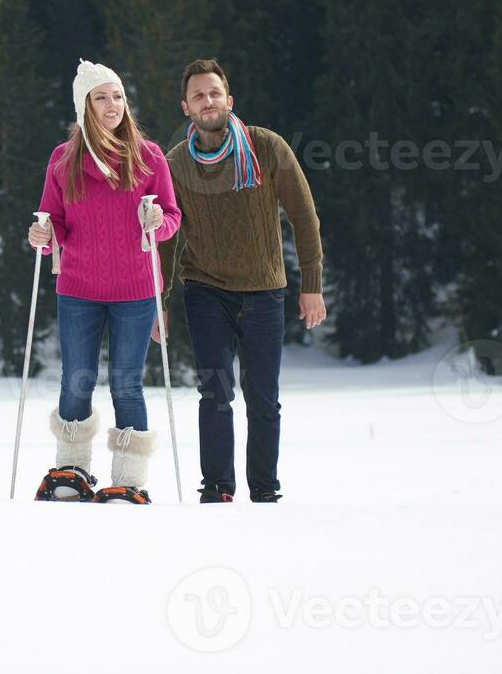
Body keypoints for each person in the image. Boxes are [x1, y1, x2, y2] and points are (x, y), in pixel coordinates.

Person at [158, 58, 326, 504]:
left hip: (264, 290)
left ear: (229, 100)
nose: (207, 101)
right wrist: (159, 301)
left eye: (214, 93)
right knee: (214, 391)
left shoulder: (266, 148)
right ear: (186, 107)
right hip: (206, 290)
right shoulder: (175, 165)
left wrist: (311, 282)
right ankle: (217, 487)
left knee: (263, 397)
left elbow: (303, 215)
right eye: (198, 95)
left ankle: (264, 490)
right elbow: (167, 238)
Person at [26, 59, 181, 504]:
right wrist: (42, 235)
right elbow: (52, 222)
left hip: (134, 289)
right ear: (84, 107)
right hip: (78, 288)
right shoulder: (63, 159)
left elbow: (172, 218)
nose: (112, 105)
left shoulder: (148, 155)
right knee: (76, 378)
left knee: (126, 382)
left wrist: (157, 220)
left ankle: (129, 477)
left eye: (117, 96)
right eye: (101, 97)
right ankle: (71, 468)